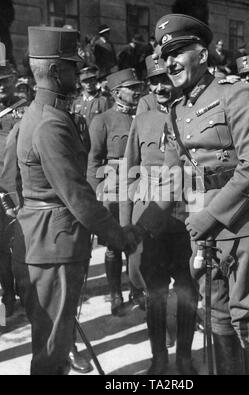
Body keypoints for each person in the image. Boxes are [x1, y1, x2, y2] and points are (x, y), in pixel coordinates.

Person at [133, 13, 249, 375]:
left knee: (246, 321)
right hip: (205, 231)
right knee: (215, 318)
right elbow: (172, 174)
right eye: (165, 55)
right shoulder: (177, 111)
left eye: (178, 51)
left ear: (201, 52)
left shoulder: (236, 94)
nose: (169, 62)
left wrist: (208, 217)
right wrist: (137, 227)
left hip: (246, 225)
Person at [12, 26, 139, 376]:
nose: (78, 72)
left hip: (47, 241)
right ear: (56, 71)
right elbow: (77, 195)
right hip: (55, 245)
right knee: (52, 354)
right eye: (71, 66)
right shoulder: (50, 124)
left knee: (57, 339)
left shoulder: (40, 114)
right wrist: (120, 236)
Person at [120, 54, 198, 375]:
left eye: (165, 79)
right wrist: (126, 223)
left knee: (186, 291)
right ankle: (159, 359)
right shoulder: (143, 120)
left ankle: (183, 357)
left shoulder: (194, 117)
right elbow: (126, 172)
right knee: (154, 292)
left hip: (184, 217)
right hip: (150, 217)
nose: (160, 86)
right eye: (154, 81)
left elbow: (202, 170)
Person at [87, 68, 144, 317]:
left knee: (136, 240)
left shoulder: (143, 116)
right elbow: (92, 161)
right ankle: (114, 293)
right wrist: (96, 194)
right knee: (113, 244)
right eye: (130, 87)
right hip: (112, 186)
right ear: (116, 93)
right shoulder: (103, 120)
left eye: (137, 86)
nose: (136, 91)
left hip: (139, 185)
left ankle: (136, 290)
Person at [0, 59, 26, 317]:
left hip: (18, 188)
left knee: (21, 242)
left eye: (4, 80)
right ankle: (8, 291)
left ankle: (26, 290)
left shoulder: (22, 109)